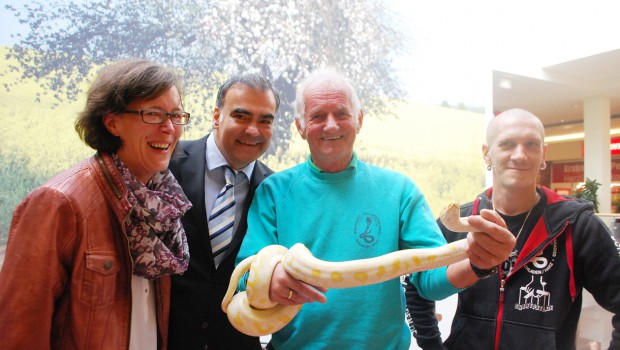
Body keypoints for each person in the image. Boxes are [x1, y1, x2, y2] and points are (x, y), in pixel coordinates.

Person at [234, 68, 516, 349]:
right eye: (318, 116)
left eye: (342, 113)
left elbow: (432, 280)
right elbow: (246, 274)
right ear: (300, 126)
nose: (331, 125)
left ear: (359, 119)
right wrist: (270, 280)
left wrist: (478, 263)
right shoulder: (274, 192)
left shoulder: (399, 191)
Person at [0, 59, 192, 349]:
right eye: (153, 114)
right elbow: (19, 331)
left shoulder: (160, 203)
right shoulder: (57, 202)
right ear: (112, 122)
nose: (169, 128)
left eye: (176, 115)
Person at [405, 108, 620, 349]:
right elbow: (415, 286)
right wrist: (432, 345)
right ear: (487, 154)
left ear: (543, 154)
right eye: (507, 144)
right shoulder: (462, 221)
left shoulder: (577, 226)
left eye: (531, 144)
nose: (520, 155)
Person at [167, 74, 279, 350]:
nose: (253, 130)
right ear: (216, 116)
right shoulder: (166, 164)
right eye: (241, 116)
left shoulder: (276, 192)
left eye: (265, 120)